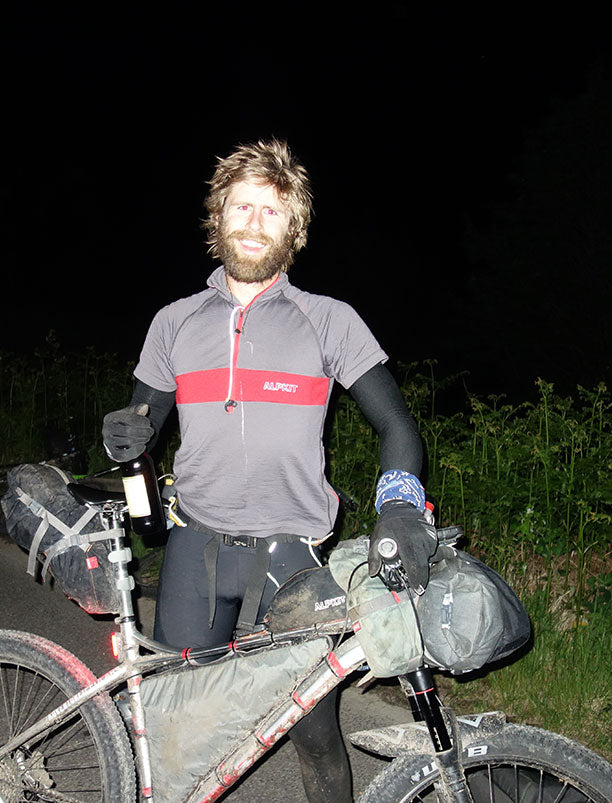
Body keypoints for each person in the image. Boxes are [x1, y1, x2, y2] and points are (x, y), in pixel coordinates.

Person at [102, 140, 435, 803]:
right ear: (217, 216)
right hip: (195, 549)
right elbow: (135, 428)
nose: (253, 223)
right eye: (241, 206)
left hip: (293, 556)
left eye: (271, 212)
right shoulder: (173, 323)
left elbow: (396, 424)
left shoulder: (329, 320)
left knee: (312, 732)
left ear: (294, 231)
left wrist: (399, 501)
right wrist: (119, 436)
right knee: (174, 729)